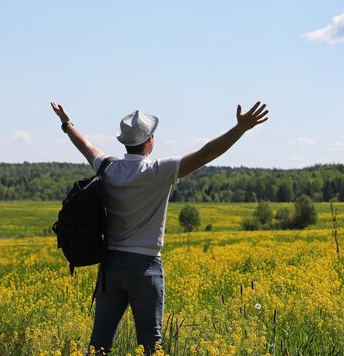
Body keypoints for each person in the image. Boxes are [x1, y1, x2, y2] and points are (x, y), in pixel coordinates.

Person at [50, 101, 268, 355]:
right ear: (150, 141)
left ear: (124, 142)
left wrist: (66, 123)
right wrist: (240, 128)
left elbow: (85, 146)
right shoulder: (158, 171)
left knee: (98, 344)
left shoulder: (108, 168)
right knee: (151, 346)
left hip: (110, 267)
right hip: (144, 268)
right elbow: (207, 153)